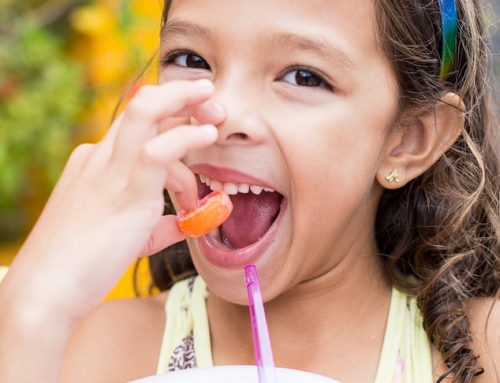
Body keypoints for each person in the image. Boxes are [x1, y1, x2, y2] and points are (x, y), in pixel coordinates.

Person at [1, 0, 499, 382]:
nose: (225, 113)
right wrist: (33, 307)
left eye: (304, 76)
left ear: (409, 140)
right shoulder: (97, 350)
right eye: (191, 58)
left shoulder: (481, 352)